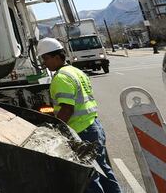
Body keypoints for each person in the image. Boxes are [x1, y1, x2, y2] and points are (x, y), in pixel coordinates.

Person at [37, 37, 122, 193]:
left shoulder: (61, 77)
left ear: (57, 57)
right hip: (93, 125)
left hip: (81, 131)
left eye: (46, 58)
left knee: (88, 175)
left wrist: (56, 130)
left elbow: (67, 108)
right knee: (103, 170)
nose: (45, 63)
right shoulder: (76, 71)